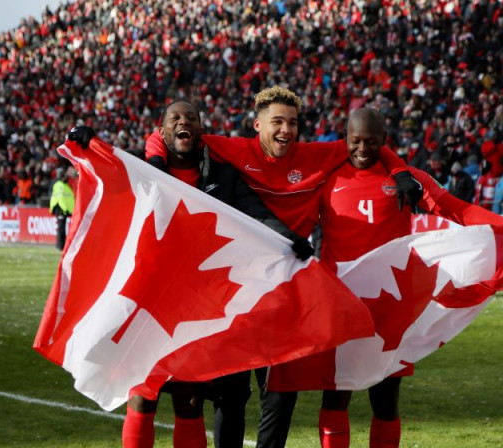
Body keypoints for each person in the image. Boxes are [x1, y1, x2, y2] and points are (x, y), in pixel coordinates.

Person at [144, 86, 419, 448]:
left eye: (292, 122)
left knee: (280, 391)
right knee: (231, 390)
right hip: (239, 285)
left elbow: (366, 141)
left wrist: (399, 170)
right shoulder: (234, 149)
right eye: (277, 121)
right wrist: (154, 161)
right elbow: (169, 131)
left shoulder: (315, 155)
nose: (285, 130)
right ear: (257, 125)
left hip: (290, 284)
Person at [68, 100, 313, 448]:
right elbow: (110, 173)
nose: (184, 122)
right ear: (162, 130)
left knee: (191, 397)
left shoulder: (223, 174)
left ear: (200, 129)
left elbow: (255, 213)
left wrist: (289, 238)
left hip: (196, 301)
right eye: (176, 118)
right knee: (142, 393)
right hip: (149, 294)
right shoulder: (142, 165)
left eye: (191, 118)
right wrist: (92, 144)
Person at [306, 108, 503, 448]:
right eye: (355, 141)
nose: (362, 149)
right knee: (335, 395)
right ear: (343, 139)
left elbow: (456, 209)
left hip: (390, 306)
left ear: (385, 142)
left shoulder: (407, 178)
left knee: (386, 400)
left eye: (372, 142)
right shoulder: (326, 178)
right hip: (342, 302)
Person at [49, 167, 75, 251]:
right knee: (61, 228)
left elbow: (69, 199)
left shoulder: (64, 185)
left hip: (64, 210)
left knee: (63, 228)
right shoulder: (59, 185)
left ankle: (62, 245)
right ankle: (60, 246)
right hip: (60, 209)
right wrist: (65, 209)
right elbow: (61, 198)